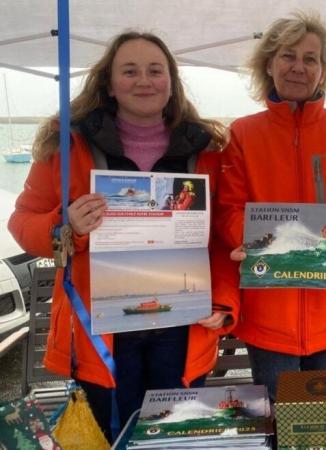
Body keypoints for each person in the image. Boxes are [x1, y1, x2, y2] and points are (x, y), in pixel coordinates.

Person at [8, 31, 235, 441]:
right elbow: (23, 224)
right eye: (129, 71)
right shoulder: (66, 144)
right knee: (113, 438)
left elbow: (220, 239)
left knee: (175, 438)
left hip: (185, 326)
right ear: (109, 84)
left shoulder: (209, 150)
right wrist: (66, 226)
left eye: (155, 71)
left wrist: (222, 302)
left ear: (171, 82)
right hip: (102, 330)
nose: (144, 81)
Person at [215, 12, 326, 401]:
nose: (298, 67)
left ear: (323, 71)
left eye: (311, 58)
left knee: (325, 426)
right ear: (269, 64)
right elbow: (228, 209)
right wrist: (246, 236)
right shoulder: (242, 133)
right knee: (277, 423)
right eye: (288, 56)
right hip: (267, 312)